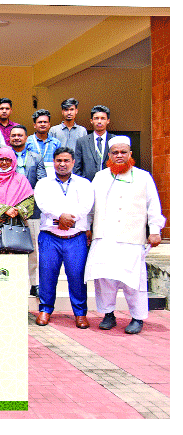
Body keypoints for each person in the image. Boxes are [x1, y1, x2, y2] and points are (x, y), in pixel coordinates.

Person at [85, 136, 165, 334]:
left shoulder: (144, 177)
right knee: (104, 279)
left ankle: (137, 317)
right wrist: (87, 227)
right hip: (104, 237)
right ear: (109, 155)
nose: (119, 156)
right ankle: (108, 314)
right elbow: (90, 207)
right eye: (115, 152)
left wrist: (155, 230)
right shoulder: (100, 177)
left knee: (133, 281)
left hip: (131, 237)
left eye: (123, 152)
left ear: (130, 154)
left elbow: (153, 206)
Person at [34, 147, 94, 329]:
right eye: (59, 160)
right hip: (50, 237)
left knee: (77, 275)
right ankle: (45, 310)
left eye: (66, 160)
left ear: (73, 162)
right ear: (53, 162)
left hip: (75, 237)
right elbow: (43, 204)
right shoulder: (43, 183)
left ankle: (80, 313)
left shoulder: (84, 183)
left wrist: (69, 219)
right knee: (47, 274)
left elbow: (86, 206)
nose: (62, 164)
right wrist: (60, 216)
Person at [9, 125, 47, 294]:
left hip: (32, 209)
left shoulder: (36, 157)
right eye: (14, 135)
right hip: (9, 208)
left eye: (20, 135)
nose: (17, 138)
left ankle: (35, 284)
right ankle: (13, 283)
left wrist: (26, 203)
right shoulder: (4, 156)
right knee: (9, 247)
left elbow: (42, 183)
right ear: (9, 138)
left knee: (33, 248)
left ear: (26, 138)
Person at [73, 105, 114, 181]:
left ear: (108, 121)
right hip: (87, 184)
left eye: (103, 118)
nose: (99, 121)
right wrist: (84, 183)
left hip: (110, 183)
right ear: (91, 121)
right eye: (96, 118)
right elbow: (77, 167)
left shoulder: (114, 140)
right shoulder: (82, 142)